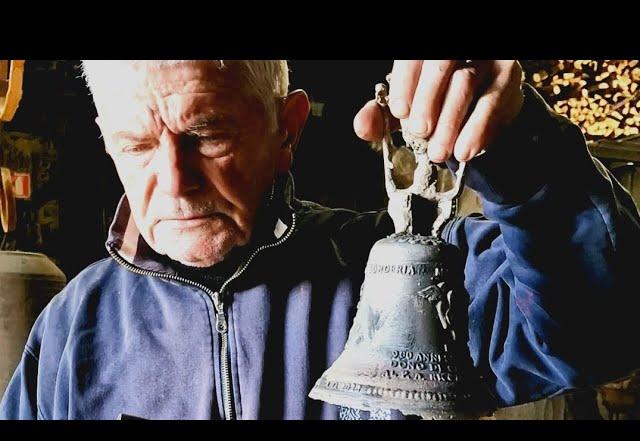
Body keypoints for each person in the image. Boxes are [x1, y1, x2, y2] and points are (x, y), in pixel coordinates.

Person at [1, 60, 639, 420]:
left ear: (287, 130)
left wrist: (522, 151)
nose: (176, 184)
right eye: (136, 146)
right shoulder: (72, 327)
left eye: (208, 133)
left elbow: (608, 326)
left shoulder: (407, 276)